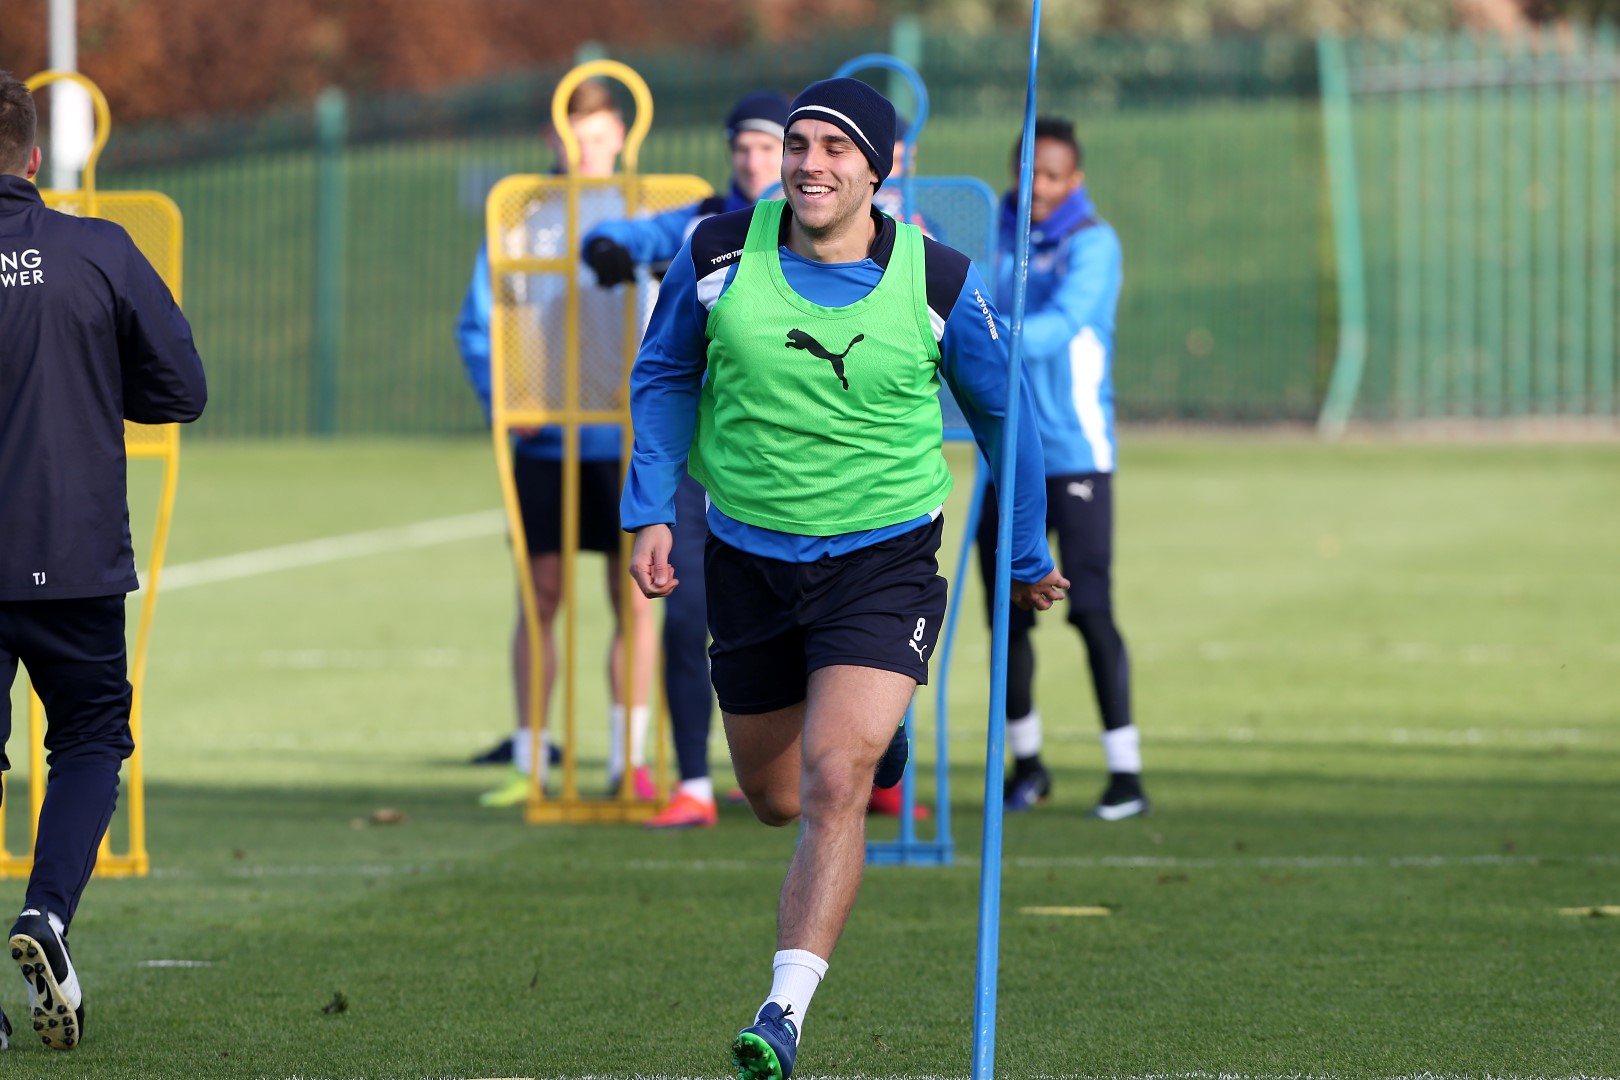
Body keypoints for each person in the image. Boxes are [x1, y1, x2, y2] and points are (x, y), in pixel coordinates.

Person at [621, 78, 1067, 1080]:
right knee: (774, 794)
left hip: (883, 561)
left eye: (835, 149)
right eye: (799, 145)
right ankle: (875, 731)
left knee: (834, 780)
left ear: (881, 166)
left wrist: (1028, 551)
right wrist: (650, 504)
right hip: (746, 556)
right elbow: (664, 375)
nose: (812, 164)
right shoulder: (715, 254)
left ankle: (783, 1010)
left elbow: (1007, 418)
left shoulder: (939, 281)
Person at [0, 71, 207, 1051]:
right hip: (73, 547)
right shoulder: (97, 248)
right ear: (35, 158)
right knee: (88, 737)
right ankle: (45, 915)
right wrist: (89, 379)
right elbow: (184, 388)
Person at [577, 90, 791, 829]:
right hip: (704, 461)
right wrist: (607, 246)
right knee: (686, 614)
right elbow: (633, 235)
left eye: (768, 147)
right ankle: (696, 783)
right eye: (744, 147)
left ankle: (853, 763)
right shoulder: (705, 224)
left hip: (788, 460)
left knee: (819, 615)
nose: (754, 159)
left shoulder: (814, 227)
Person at [456, 78, 658, 807]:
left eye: (601, 136)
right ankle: (532, 758)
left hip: (627, 445)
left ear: (623, 138)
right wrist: (508, 397)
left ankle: (628, 760)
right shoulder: (521, 215)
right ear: (554, 138)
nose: (587, 150)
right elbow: (479, 324)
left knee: (631, 596)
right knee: (539, 596)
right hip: (544, 443)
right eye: (575, 136)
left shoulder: (648, 213)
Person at [976, 116, 1147, 820]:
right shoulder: (996, 236)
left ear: (1074, 179)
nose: (1036, 188)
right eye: (1027, 173)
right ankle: (1029, 766)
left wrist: (984, 328)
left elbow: (1059, 329)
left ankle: (1126, 773)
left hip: (1076, 455)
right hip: (1006, 455)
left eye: (1051, 175)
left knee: (1093, 610)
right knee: (1006, 616)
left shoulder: (1093, 243)